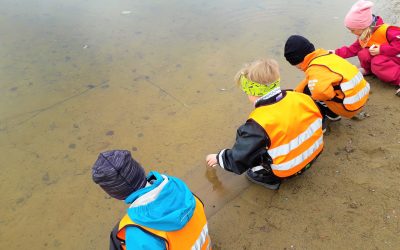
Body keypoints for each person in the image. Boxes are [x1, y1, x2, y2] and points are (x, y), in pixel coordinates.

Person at [205, 59, 324, 190]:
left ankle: (271, 180)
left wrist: (219, 157)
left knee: (253, 169)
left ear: (252, 92)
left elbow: (240, 158)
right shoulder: (301, 97)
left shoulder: (258, 125)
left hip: (290, 168)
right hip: (314, 153)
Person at [91, 150, 211, 250]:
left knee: (117, 235)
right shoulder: (181, 190)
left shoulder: (137, 233)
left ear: (114, 194)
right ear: (140, 169)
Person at [284, 35, 370, 120]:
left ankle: (331, 115)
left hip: (349, 107)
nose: (298, 69)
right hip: (362, 95)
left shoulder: (314, 69)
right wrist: (296, 93)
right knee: (311, 86)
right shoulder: (326, 56)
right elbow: (310, 80)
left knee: (312, 94)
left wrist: (332, 98)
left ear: (298, 60)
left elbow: (320, 92)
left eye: (296, 66)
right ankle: (333, 108)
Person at [334, 0, 400, 96]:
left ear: (363, 26)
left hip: (396, 56)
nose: (351, 33)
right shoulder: (366, 32)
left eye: (352, 30)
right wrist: (335, 53)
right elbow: (354, 49)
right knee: (363, 53)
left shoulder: (387, 30)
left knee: (377, 62)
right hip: (386, 56)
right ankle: (369, 69)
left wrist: (381, 49)